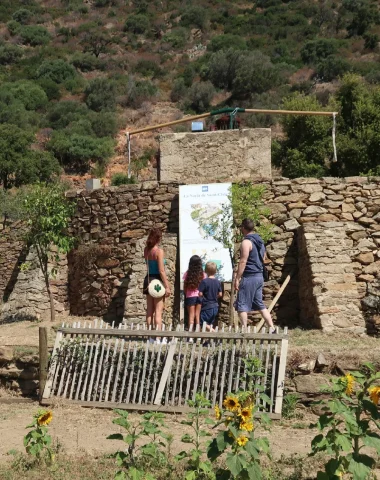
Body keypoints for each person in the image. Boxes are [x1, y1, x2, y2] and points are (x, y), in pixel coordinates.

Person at [234, 218, 275, 332]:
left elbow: (243, 261)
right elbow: (263, 258)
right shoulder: (260, 242)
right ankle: (272, 328)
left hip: (249, 277)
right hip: (259, 276)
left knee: (242, 304)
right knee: (259, 304)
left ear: (243, 228)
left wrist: (238, 278)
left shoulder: (246, 242)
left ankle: (244, 331)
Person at [143, 227, 171, 342]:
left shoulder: (146, 250)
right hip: (157, 281)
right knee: (158, 312)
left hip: (148, 280)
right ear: (158, 238)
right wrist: (167, 286)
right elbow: (161, 270)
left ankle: (150, 337)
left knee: (149, 311)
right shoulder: (159, 251)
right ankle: (158, 338)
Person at [183, 255, 206, 335]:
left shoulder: (187, 273)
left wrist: (186, 294)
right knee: (197, 316)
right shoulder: (203, 274)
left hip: (190, 296)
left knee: (191, 316)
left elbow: (185, 286)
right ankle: (199, 334)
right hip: (199, 296)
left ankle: (190, 336)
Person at [198, 262, 222, 332]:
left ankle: (214, 331)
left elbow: (200, 293)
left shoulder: (204, 282)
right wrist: (215, 297)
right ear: (216, 271)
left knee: (203, 322)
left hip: (206, 306)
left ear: (205, 271)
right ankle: (207, 341)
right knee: (210, 323)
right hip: (215, 306)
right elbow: (220, 294)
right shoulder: (218, 282)